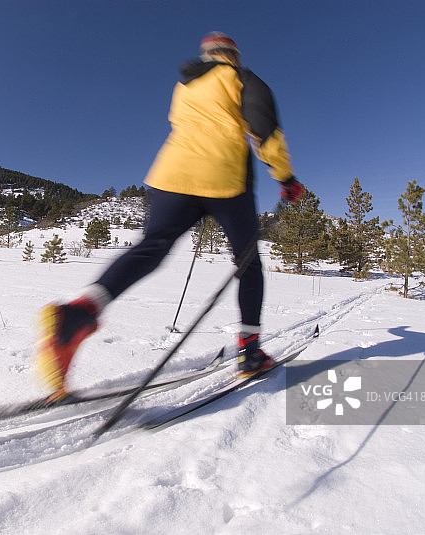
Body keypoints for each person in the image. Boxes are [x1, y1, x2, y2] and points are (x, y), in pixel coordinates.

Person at [35, 31, 305, 401]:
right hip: (225, 178)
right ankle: (251, 352)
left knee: (152, 246)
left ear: (206, 55)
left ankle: (79, 313)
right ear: (233, 56)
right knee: (248, 263)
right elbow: (264, 129)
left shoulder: (185, 86)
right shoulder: (241, 78)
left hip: (170, 176)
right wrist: (286, 178)